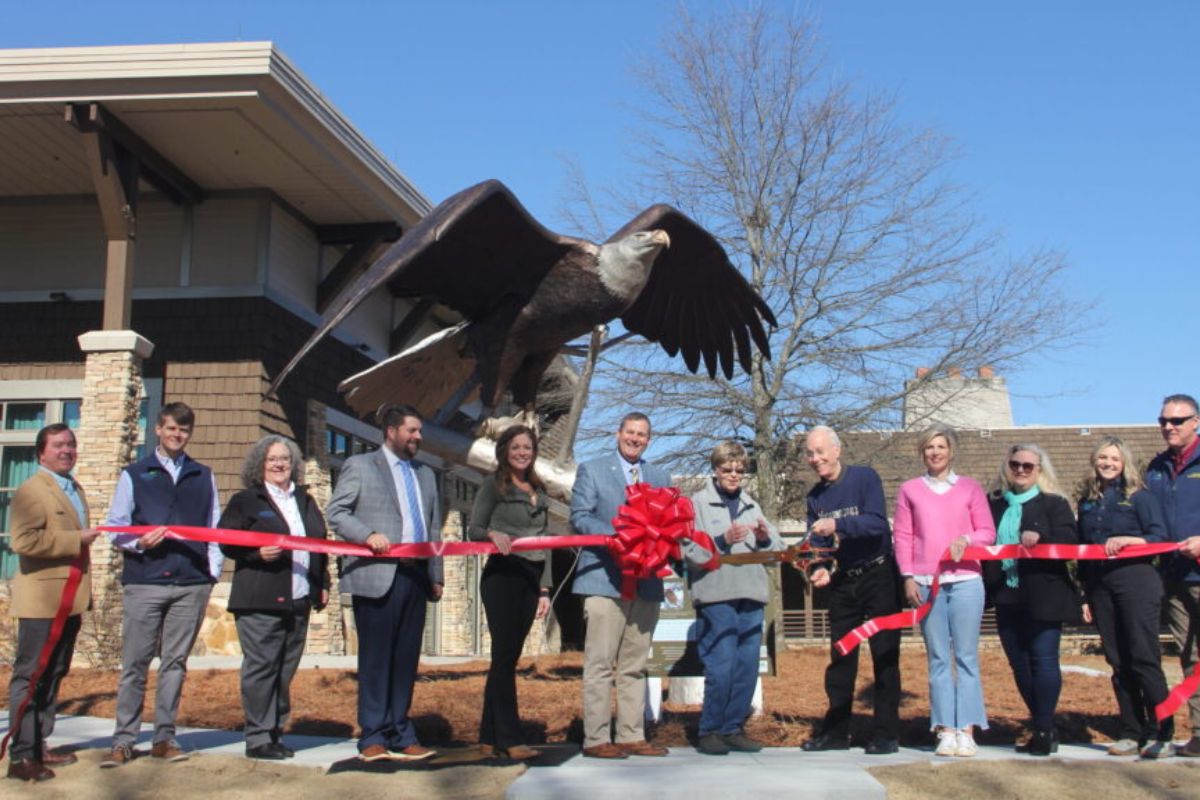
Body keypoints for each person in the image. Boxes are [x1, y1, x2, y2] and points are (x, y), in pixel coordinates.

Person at [102, 402, 223, 768]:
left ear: (190, 433)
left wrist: (211, 573)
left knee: (175, 664)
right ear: (158, 428)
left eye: (184, 430)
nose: (177, 435)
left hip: (190, 583)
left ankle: (164, 738)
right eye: (171, 429)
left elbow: (213, 528)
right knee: (135, 664)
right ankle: (124, 740)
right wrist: (138, 543)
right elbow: (116, 527)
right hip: (145, 581)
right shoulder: (135, 474)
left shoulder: (203, 475)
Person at [326, 404, 443, 762]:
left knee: (406, 660)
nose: (418, 437)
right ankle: (372, 735)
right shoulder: (360, 466)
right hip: (376, 576)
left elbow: (434, 526)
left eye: (419, 431)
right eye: (412, 430)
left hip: (414, 576)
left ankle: (401, 732)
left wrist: (435, 575)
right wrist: (367, 535)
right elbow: (336, 512)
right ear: (391, 431)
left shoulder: (426, 474)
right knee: (376, 659)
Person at [217, 436, 329, 760]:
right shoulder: (246, 501)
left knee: (284, 670)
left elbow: (319, 543)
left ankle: (276, 731)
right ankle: (257, 737)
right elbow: (226, 540)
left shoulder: (305, 501)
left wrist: (321, 582)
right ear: (259, 465)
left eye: (284, 458)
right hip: (259, 600)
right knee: (261, 668)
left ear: (293, 463)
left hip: (299, 598)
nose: (279, 464)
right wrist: (254, 553)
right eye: (272, 460)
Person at [569, 412, 671, 759]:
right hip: (604, 578)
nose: (635, 438)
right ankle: (596, 739)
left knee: (635, 663)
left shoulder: (660, 476)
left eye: (642, 434)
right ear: (618, 434)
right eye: (630, 432)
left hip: (646, 583)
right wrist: (619, 537)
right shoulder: (593, 469)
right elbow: (580, 516)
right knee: (599, 663)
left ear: (648, 439)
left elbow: (669, 523)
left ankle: (631, 734)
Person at [892, 424, 995, 757]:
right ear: (922, 453)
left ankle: (967, 729)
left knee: (966, 657)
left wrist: (968, 540)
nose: (934, 452)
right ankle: (945, 730)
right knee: (937, 657)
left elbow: (987, 531)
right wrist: (907, 576)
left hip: (966, 581)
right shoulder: (910, 490)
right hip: (926, 581)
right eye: (928, 448)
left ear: (951, 451)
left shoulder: (970, 488)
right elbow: (904, 536)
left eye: (940, 447)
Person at [5, 424, 99, 782]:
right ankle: (21, 755)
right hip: (41, 602)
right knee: (31, 676)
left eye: (71, 445)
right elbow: (23, 541)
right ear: (40, 452)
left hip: (70, 600)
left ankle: (39, 742)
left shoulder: (74, 487)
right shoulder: (32, 491)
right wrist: (76, 538)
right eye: (58, 445)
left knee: (54, 674)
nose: (67, 450)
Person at [801, 426, 902, 755]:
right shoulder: (815, 497)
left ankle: (886, 733)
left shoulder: (864, 479)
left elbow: (876, 524)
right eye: (810, 454)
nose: (815, 459)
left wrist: (838, 525)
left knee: (885, 655)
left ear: (837, 450)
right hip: (844, 581)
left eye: (820, 451)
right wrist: (817, 568)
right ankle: (835, 732)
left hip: (879, 574)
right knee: (841, 656)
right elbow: (816, 543)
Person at [680, 441, 783, 756]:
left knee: (747, 666)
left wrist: (765, 539)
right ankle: (710, 729)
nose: (734, 475)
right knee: (721, 664)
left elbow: (776, 552)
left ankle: (733, 727)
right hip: (716, 596)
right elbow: (687, 551)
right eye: (727, 469)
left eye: (739, 469)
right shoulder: (697, 504)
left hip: (752, 595)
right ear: (715, 469)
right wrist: (721, 541)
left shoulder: (753, 505)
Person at [1077, 435, 1175, 758]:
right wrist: (1085, 595)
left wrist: (1129, 540)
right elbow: (1081, 551)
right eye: (1103, 458)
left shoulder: (1140, 496)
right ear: (1095, 460)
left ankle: (1161, 731)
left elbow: (1158, 536)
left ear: (1124, 463)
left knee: (1143, 656)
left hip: (1137, 581)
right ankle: (1131, 729)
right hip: (1100, 585)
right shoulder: (1088, 501)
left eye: (1114, 459)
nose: (1108, 463)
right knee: (1118, 661)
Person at [983, 443, 1078, 755]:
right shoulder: (993, 504)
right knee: (1019, 664)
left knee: (1043, 660)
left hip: (1045, 593)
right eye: (1015, 464)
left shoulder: (1054, 503)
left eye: (1028, 466)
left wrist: (1043, 539)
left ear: (1040, 471)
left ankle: (1043, 726)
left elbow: (1070, 541)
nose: (1021, 470)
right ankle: (1042, 724)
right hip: (1007, 593)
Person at [466, 425, 552, 761]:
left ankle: (488, 737)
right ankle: (509, 738)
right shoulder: (493, 484)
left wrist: (545, 588)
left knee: (507, 659)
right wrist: (491, 533)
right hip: (502, 576)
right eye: (516, 446)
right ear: (504, 450)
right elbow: (473, 528)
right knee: (503, 658)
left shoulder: (539, 488)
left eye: (527, 447)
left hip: (531, 578)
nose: (522, 452)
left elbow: (546, 542)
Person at [1145, 393, 1200, 757]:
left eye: (1177, 421)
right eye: (1164, 420)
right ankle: (1198, 734)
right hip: (1176, 576)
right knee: (1191, 655)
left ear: (1196, 422)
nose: (1169, 427)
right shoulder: (1155, 468)